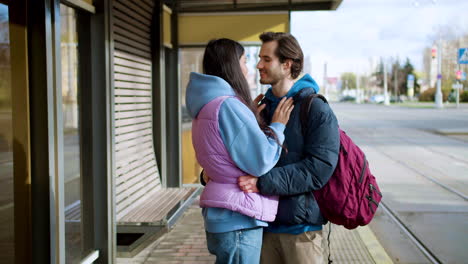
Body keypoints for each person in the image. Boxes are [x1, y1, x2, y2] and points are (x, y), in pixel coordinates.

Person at [185, 38, 294, 264]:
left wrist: (250, 117)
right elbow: (260, 160)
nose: (249, 67)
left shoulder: (206, 102)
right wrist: (277, 126)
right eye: (245, 61)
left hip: (222, 213)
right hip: (238, 218)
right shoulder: (228, 106)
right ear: (232, 65)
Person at [237, 32, 340, 264]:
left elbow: (319, 168)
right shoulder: (261, 108)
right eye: (259, 58)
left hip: (301, 232)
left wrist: (262, 182)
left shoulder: (315, 108)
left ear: (286, 65)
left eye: (266, 59)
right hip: (261, 226)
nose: (258, 65)